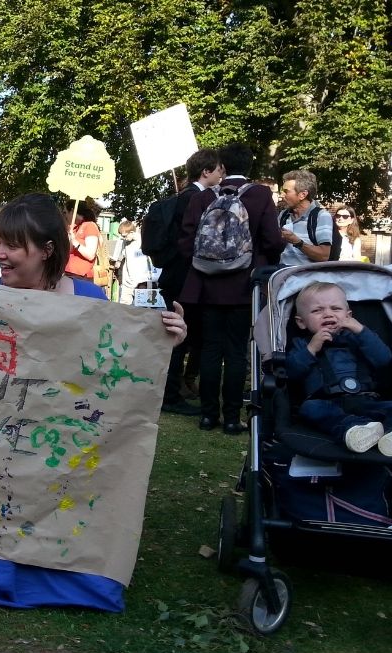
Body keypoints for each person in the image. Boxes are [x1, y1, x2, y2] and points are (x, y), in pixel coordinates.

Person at [0, 193, 186, 609]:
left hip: (62, 446)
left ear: (47, 250)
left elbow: (117, 371)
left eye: (11, 245)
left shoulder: (90, 302)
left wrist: (165, 341)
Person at [179, 144, 285, 435]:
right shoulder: (260, 195)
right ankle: (230, 417)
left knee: (211, 348)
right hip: (244, 284)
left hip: (206, 285)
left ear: (222, 166)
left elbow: (188, 240)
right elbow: (273, 240)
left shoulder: (204, 197)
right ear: (250, 165)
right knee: (237, 351)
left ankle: (207, 415)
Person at [286, 282, 392, 457]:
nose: (328, 314)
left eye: (335, 309)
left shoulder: (359, 339)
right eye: (317, 311)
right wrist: (311, 349)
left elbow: (383, 358)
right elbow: (292, 372)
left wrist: (361, 330)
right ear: (301, 322)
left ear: (348, 315)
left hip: (366, 400)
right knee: (310, 409)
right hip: (327, 402)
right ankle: (355, 430)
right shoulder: (302, 345)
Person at [160, 149, 224, 417]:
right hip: (186, 278)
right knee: (178, 337)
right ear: (206, 171)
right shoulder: (199, 199)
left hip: (174, 275)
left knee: (178, 337)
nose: (222, 175)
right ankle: (171, 395)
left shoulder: (182, 196)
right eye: (219, 170)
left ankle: (173, 391)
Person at [279, 170, 335, 266]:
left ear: (303, 195)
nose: (281, 195)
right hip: (282, 274)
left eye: (286, 192)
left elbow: (324, 256)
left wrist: (297, 242)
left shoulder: (321, 216)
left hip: (307, 277)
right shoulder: (283, 215)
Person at [114, 220, 160, 306]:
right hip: (128, 280)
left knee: (143, 307)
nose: (123, 238)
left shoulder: (144, 240)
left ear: (131, 232)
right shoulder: (125, 242)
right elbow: (122, 254)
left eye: (124, 236)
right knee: (124, 306)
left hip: (142, 281)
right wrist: (118, 261)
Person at [63, 199, 100, 281]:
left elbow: (90, 255)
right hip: (68, 273)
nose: (64, 216)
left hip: (82, 277)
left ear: (72, 211)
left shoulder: (90, 226)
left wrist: (75, 242)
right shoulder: (74, 228)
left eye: (65, 212)